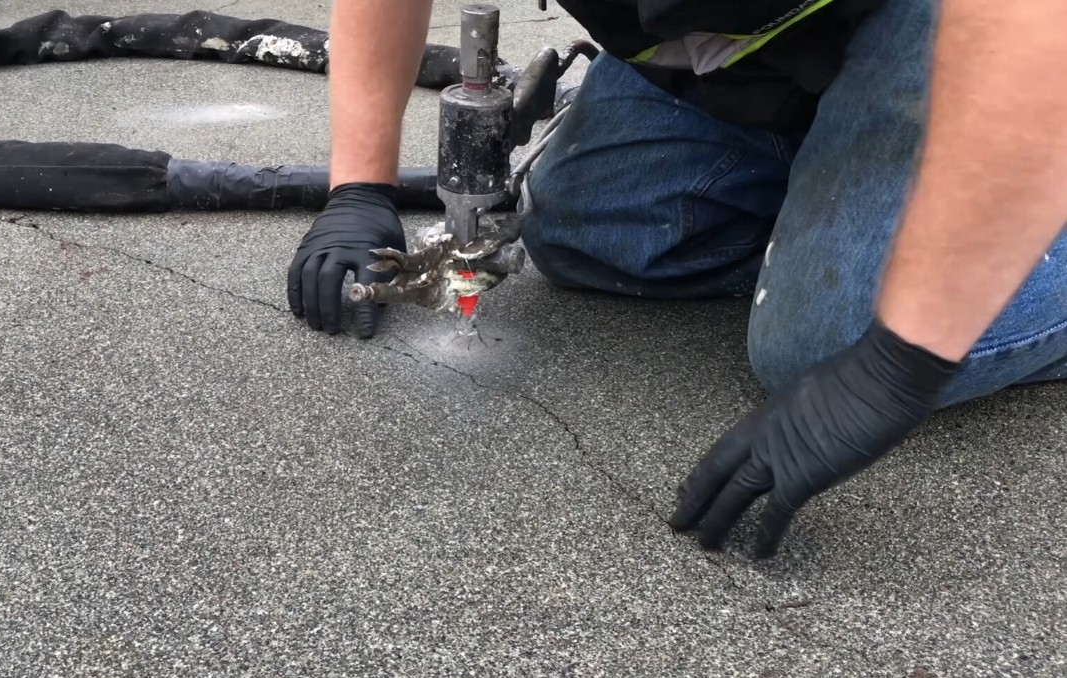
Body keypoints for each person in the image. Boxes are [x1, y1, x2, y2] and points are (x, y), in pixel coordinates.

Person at [286, 0, 1067, 558]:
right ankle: (846, 168)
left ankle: (1016, 198)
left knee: (829, 339)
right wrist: (359, 190)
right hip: (737, 36)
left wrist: (905, 356)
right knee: (588, 232)